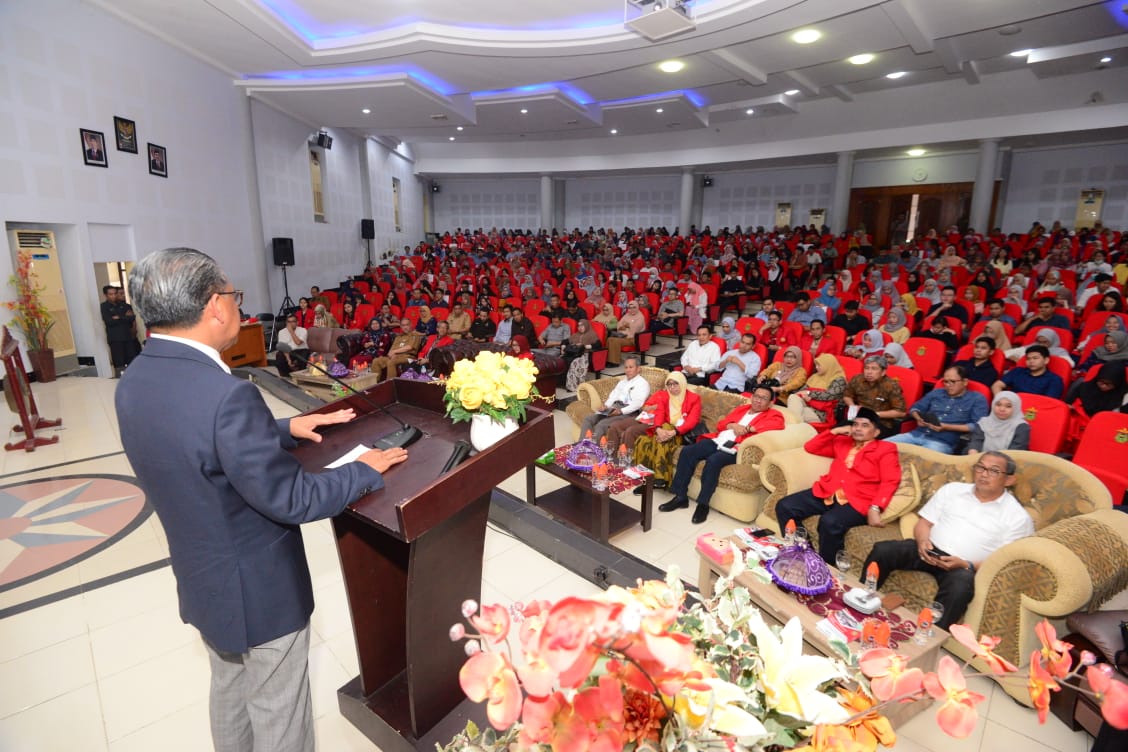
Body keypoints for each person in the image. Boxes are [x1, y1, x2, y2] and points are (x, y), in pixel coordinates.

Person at [115, 248, 408, 752]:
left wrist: (283, 428)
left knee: (229, 688)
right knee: (279, 711)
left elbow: (194, 439)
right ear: (213, 305)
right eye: (233, 294)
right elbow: (290, 498)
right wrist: (363, 471)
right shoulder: (227, 395)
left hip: (203, 575)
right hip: (259, 589)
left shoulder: (138, 377)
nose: (236, 304)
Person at [862, 451, 1034, 629]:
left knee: (959, 588)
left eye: (993, 471)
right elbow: (924, 523)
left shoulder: (1017, 518)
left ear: (1009, 480)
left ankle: (930, 636)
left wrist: (966, 564)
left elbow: (1004, 562)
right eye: (981, 467)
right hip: (928, 549)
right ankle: (862, 601)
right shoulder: (952, 490)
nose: (984, 474)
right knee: (884, 550)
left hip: (964, 566)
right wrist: (922, 541)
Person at [774, 408, 901, 563]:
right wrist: (834, 431)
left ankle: (826, 567)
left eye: (865, 425)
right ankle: (803, 553)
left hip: (857, 500)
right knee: (785, 506)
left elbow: (891, 481)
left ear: (876, 432)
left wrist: (875, 507)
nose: (858, 428)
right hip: (828, 491)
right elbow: (811, 447)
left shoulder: (886, 449)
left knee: (829, 522)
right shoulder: (842, 442)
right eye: (855, 424)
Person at [659, 385, 785, 524]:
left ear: (771, 402)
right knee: (688, 452)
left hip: (735, 448)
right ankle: (680, 496)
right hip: (717, 440)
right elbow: (721, 424)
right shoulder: (742, 409)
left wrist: (748, 428)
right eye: (756, 396)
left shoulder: (774, 415)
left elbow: (775, 426)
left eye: (763, 398)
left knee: (713, 461)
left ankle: (703, 504)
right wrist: (732, 425)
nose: (758, 400)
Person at [604, 371, 701, 483]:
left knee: (631, 432)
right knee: (615, 426)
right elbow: (653, 409)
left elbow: (692, 421)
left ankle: (628, 466)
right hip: (649, 419)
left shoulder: (693, 398)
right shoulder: (664, 394)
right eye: (669, 384)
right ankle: (612, 463)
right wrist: (653, 417)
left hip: (666, 426)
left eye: (675, 383)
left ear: (682, 383)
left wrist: (668, 429)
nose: (672, 387)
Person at [888, 366, 989, 454]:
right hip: (916, 435)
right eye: (945, 381)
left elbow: (976, 426)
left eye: (953, 381)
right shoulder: (937, 393)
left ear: (965, 382)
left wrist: (946, 427)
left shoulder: (977, 399)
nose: (948, 385)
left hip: (942, 442)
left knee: (921, 461)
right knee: (881, 447)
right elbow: (915, 408)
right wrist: (918, 418)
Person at [578, 354, 651, 442]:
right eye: (626, 367)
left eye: (631, 367)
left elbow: (638, 403)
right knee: (588, 419)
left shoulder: (642, 383)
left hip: (628, 412)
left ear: (638, 369)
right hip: (613, 408)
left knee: (601, 425)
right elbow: (613, 396)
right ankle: (581, 447)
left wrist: (621, 411)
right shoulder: (622, 382)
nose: (627, 370)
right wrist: (606, 406)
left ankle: (592, 451)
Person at [843, 355, 907, 438]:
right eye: (867, 368)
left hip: (880, 422)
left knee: (858, 437)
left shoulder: (891, 386)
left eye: (874, 369)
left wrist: (874, 414)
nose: (869, 372)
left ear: (883, 372)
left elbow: (901, 412)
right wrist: (853, 406)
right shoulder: (857, 379)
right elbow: (847, 395)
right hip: (858, 418)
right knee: (836, 432)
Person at [786, 354, 847, 425]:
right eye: (816, 365)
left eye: (819, 365)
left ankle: (793, 426)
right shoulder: (815, 376)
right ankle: (795, 427)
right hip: (808, 403)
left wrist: (809, 393)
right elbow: (802, 391)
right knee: (793, 397)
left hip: (822, 412)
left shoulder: (839, 380)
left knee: (793, 414)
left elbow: (830, 395)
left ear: (828, 365)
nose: (816, 367)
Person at [992, 344, 1065, 398]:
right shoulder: (1018, 371)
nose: (1031, 361)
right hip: (1011, 406)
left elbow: (1049, 402)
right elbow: (996, 385)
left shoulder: (1054, 380)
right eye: (1028, 359)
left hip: (1034, 411)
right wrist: (1000, 400)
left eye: (1035, 358)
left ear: (1046, 360)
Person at [100, 284, 139, 376]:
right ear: (106, 295)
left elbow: (132, 318)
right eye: (111, 294)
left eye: (115, 293)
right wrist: (124, 317)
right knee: (119, 362)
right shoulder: (104, 306)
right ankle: (119, 379)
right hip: (115, 339)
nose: (113, 296)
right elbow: (109, 321)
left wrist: (119, 318)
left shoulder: (124, 305)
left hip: (127, 337)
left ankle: (133, 378)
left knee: (132, 359)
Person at [607, 300, 646, 365]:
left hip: (633, 338)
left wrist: (628, 325)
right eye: (630, 308)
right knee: (609, 339)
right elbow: (619, 324)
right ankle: (608, 360)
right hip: (623, 336)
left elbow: (636, 329)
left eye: (634, 307)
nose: (632, 309)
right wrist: (624, 326)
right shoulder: (627, 315)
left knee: (615, 341)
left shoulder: (640, 317)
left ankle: (614, 362)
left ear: (637, 307)